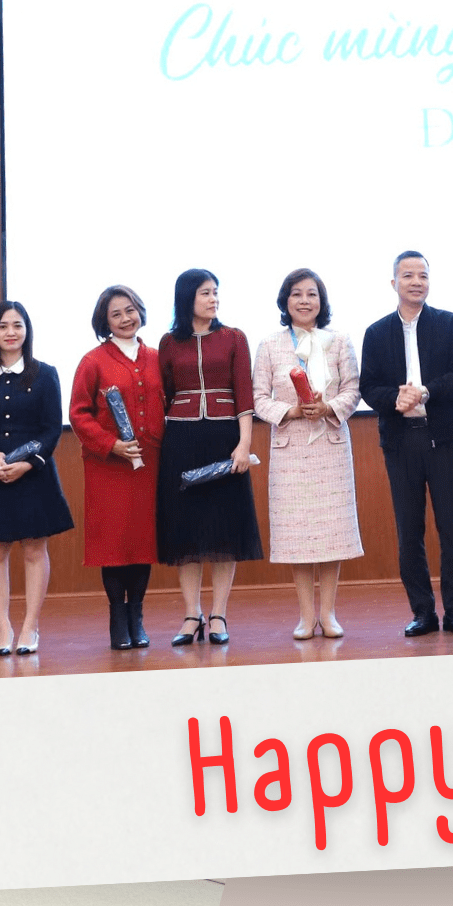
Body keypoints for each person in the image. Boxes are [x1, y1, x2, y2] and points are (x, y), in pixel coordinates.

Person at [359, 250, 453, 637]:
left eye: (423, 275)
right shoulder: (377, 332)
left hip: (444, 439)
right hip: (400, 441)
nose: (416, 282)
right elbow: (367, 386)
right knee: (409, 530)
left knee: (452, 526)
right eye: (408, 275)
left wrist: (426, 392)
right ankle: (422, 611)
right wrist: (396, 398)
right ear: (394, 283)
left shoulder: (449, 323)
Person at [0, 300, 76, 655]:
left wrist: (27, 464)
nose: (11, 332)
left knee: (35, 549)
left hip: (34, 476)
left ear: (27, 330)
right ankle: (3, 629)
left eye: (17, 325)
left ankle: (30, 627)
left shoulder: (45, 374)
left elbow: (51, 429)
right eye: (3, 326)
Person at [252, 268, 364, 639]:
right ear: (285, 301)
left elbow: (353, 390)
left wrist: (328, 407)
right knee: (296, 536)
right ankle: (305, 616)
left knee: (331, 534)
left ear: (321, 301)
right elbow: (259, 398)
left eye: (311, 294)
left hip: (330, 447)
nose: (304, 300)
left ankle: (328, 614)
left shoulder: (339, 341)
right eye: (297, 294)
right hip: (290, 450)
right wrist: (292, 411)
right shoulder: (269, 345)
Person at [156, 269, 262, 647]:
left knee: (224, 529)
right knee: (186, 531)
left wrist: (243, 444)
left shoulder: (234, 337)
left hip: (224, 438)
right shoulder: (169, 342)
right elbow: (165, 392)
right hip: (181, 440)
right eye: (205, 293)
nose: (213, 299)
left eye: (215, 292)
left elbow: (244, 393)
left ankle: (218, 614)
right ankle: (191, 614)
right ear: (187, 297)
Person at [69, 285, 163, 652]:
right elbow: (78, 414)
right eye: (116, 314)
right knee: (113, 544)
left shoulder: (157, 357)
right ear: (104, 322)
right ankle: (117, 619)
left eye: (130, 310)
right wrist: (112, 445)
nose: (126, 319)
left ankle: (136, 616)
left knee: (142, 542)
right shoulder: (92, 361)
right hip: (108, 467)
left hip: (149, 465)